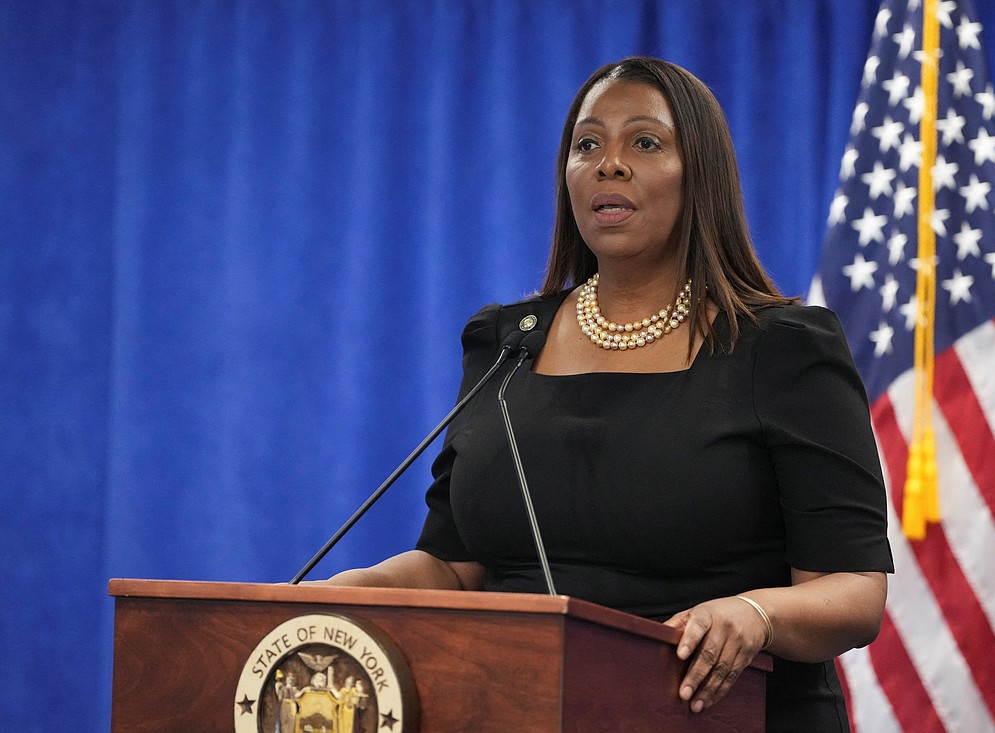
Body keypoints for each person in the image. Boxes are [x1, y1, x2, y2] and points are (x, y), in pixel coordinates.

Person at [322, 56, 893, 731]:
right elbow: (454, 567)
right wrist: (341, 597)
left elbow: (855, 591)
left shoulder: (781, 347)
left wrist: (755, 614)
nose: (609, 164)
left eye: (644, 142)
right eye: (587, 144)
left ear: (699, 174)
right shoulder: (506, 342)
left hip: (721, 713)